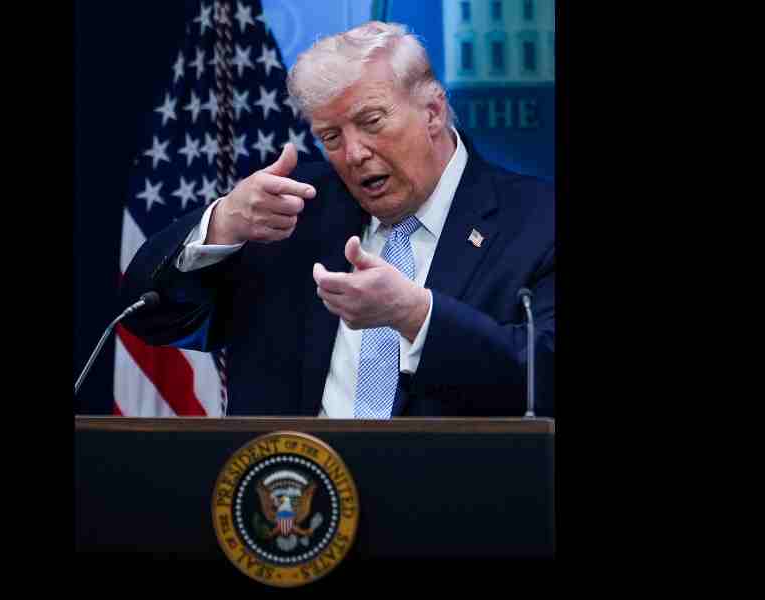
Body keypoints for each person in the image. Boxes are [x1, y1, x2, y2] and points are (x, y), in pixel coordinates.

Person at [119, 21, 554, 418]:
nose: (354, 154)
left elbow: (545, 378)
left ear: (433, 112)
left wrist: (417, 316)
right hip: (290, 497)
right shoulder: (289, 212)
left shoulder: (537, 222)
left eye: (372, 122)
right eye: (331, 137)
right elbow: (147, 318)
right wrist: (223, 223)